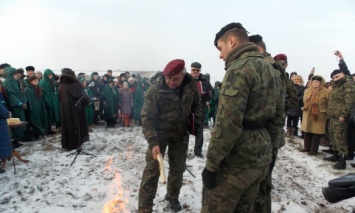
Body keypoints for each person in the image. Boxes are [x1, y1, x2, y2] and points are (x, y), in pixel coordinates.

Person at [201, 23, 283, 213]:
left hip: (236, 160)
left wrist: (212, 165)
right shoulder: (271, 70)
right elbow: (278, 117)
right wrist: (269, 151)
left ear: (232, 41)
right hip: (260, 156)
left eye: (220, 49)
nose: (220, 55)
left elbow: (227, 123)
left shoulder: (238, 69)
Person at [138, 59, 202, 212]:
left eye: (176, 79)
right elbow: (146, 118)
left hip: (180, 135)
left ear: (183, 75)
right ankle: (145, 207)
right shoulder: (155, 90)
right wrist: (153, 143)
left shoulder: (191, 86)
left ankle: (172, 196)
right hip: (159, 136)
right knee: (152, 172)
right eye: (168, 78)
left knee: (178, 169)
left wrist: (195, 121)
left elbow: (197, 105)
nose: (171, 82)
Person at [248, 34, 287, 213]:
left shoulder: (268, 70)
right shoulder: (274, 68)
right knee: (262, 184)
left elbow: (278, 109)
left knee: (260, 186)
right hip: (267, 137)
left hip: (265, 138)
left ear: (259, 50)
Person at [324, 69, 355, 170]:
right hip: (333, 115)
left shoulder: (347, 84)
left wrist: (344, 115)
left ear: (343, 75)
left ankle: (342, 161)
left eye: (337, 77)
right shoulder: (336, 85)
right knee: (333, 136)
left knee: (340, 138)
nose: (335, 79)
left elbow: (348, 102)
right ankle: (336, 155)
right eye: (333, 77)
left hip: (340, 117)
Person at [58, 69, 90, 150]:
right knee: (75, 126)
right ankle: (75, 143)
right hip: (74, 110)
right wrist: (87, 99)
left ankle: (68, 144)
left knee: (67, 126)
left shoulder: (61, 85)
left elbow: (59, 97)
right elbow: (80, 96)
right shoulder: (73, 85)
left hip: (64, 109)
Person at [299, 75, 329, 155]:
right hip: (308, 114)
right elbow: (304, 100)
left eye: (317, 82)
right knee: (307, 131)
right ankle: (306, 147)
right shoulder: (307, 90)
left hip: (319, 115)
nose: (315, 83)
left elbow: (329, 103)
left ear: (321, 83)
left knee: (316, 133)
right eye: (313, 82)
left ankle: (313, 150)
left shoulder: (326, 91)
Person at [189, 62, 213, 158]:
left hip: (200, 110)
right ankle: (181, 152)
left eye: (197, 70)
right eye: (193, 70)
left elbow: (212, 92)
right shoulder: (185, 79)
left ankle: (198, 152)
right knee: (184, 133)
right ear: (190, 70)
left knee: (199, 133)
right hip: (187, 110)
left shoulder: (205, 81)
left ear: (200, 71)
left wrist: (205, 97)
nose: (195, 72)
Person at [2, 66, 27, 148]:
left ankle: (17, 140)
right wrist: (19, 103)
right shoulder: (7, 83)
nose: (16, 75)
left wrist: (24, 101)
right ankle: (14, 141)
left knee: (20, 123)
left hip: (19, 106)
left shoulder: (15, 81)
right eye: (14, 74)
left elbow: (21, 92)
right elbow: (10, 96)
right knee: (15, 124)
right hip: (15, 107)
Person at [24, 76, 48, 140]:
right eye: (34, 81)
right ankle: (36, 134)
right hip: (33, 108)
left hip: (40, 106)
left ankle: (42, 132)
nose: (36, 82)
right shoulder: (27, 90)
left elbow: (40, 98)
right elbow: (28, 99)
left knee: (42, 118)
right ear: (31, 81)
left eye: (37, 81)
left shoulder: (38, 88)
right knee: (35, 120)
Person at [39, 69, 60, 134]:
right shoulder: (42, 83)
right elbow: (43, 94)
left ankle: (56, 126)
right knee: (48, 115)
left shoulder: (53, 82)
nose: (51, 76)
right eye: (49, 75)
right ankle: (48, 129)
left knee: (55, 114)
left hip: (55, 101)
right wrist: (47, 101)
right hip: (48, 102)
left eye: (51, 75)